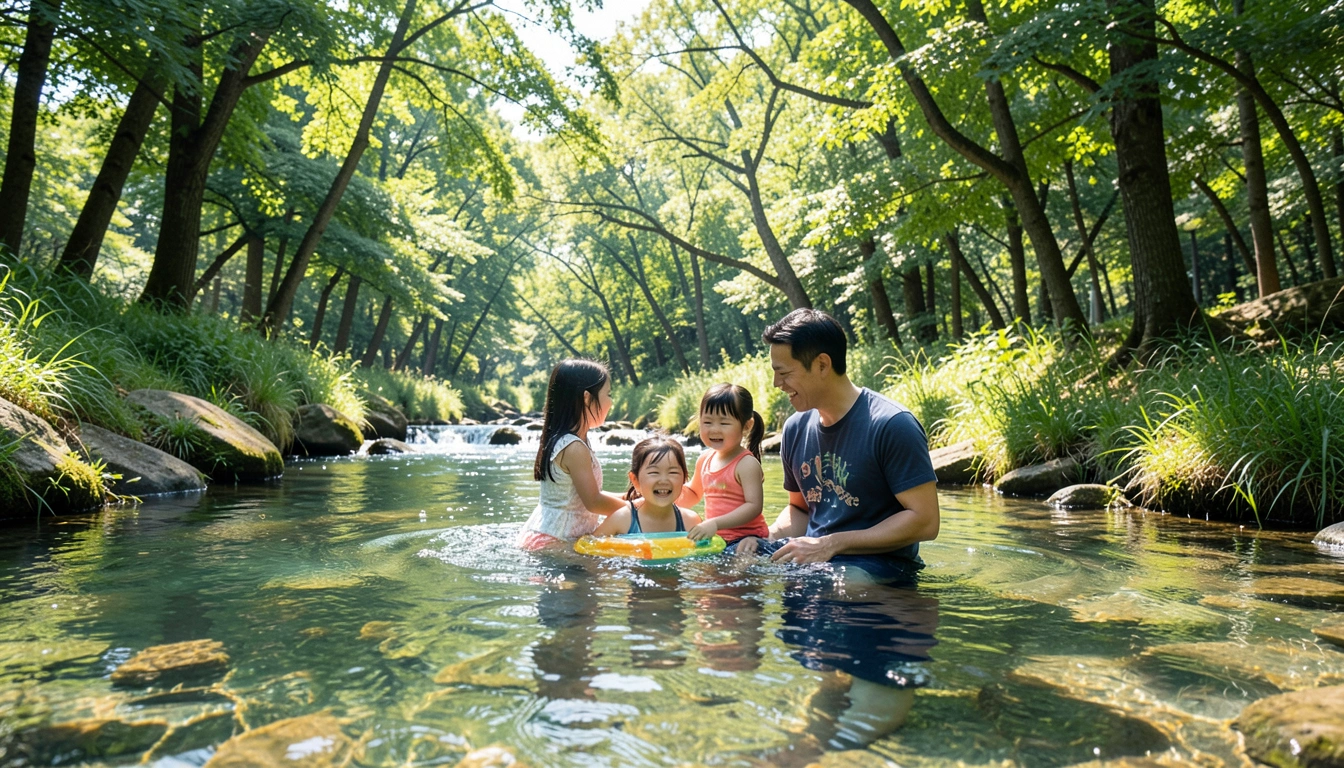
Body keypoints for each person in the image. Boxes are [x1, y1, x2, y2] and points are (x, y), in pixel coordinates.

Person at [742, 308, 940, 583]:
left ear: (822, 364)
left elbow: (926, 521)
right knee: (733, 564)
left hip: (880, 566)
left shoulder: (893, 425)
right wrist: (765, 537)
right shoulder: (795, 428)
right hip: (816, 558)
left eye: (784, 372)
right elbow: (800, 510)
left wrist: (831, 544)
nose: (777, 383)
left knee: (836, 589)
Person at [518, 359, 626, 551]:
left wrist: (628, 498)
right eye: (608, 394)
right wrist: (638, 510)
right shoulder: (573, 447)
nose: (611, 402)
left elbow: (579, 497)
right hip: (556, 542)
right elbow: (593, 502)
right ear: (587, 397)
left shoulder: (570, 439)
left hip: (548, 535)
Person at [678, 384, 768, 553]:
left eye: (724, 423)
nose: (714, 429)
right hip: (716, 540)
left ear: (747, 426)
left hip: (747, 541)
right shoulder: (704, 459)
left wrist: (715, 523)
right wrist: (660, 497)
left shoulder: (746, 464)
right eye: (707, 422)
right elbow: (693, 493)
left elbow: (754, 506)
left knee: (737, 570)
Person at [592, 436, 703, 536]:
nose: (663, 480)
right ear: (635, 480)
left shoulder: (690, 522)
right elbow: (589, 547)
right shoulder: (622, 520)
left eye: (673, 473)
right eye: (654, 473)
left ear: (684, 478)